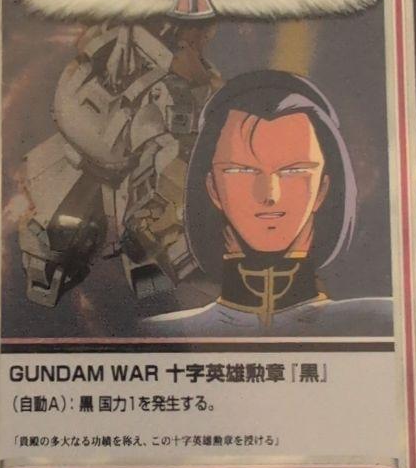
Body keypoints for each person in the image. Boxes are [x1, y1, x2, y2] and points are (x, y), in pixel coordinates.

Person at [145, 69, 394, 336]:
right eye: (241, 170)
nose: (269, 195)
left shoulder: (383, 322)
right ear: (213, 188)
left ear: (323, 188)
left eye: (294, 171)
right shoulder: (160, 333)